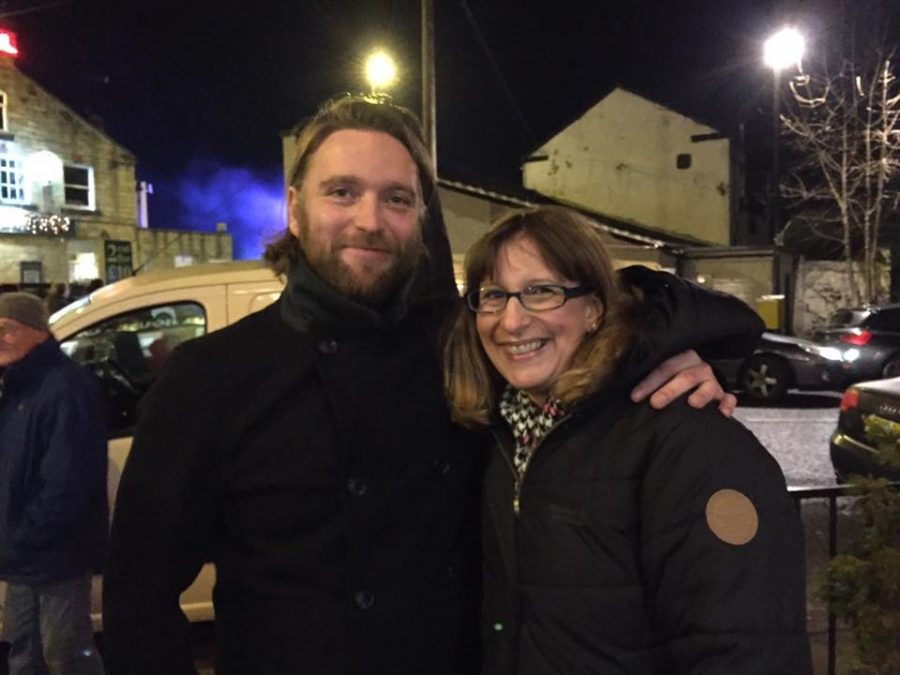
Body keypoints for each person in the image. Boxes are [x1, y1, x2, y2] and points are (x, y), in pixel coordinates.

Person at [102, 96, 758, 674]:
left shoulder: (463, 346)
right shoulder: (210, 376)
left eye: (396, 198)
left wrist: (675, 354)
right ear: (296, 211)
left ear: (420, 218)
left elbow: (580, 334)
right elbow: (139, 599)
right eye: (342, 192)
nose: (369, 219)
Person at [443, 207, 812, 674]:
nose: (511, 321)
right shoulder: (500, 436)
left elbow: (745, 650)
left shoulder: (687, 439)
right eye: (494, 296)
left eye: (542, 292)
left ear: (594, 309)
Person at [0, 293, 108, 675]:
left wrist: (23, 536)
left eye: (5, 330)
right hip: (22, 551)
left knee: (64, 651)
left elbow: (67, 483)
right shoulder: (17, 385)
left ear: (37, 332)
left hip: (56, 552)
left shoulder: (64, 387)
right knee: (23, 651)